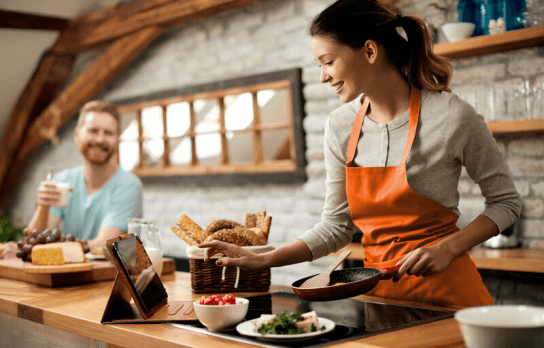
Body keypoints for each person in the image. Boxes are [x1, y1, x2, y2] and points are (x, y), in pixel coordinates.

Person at [199, 0, 522, 307]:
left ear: (369, 50)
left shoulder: (451, 116)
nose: (323, 76)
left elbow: (506, 202)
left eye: (328, 62)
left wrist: (448, 248)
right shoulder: (340, 126)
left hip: (450, 297)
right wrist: (265, 258)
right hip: (379, 299)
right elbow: (336, 227)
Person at [25, 100, 143, 250]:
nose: (100, 139)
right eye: (93, 131)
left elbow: (104, 245)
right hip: (68, 270)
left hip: (109, 273)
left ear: (117, 139)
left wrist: (53, 246)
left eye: (108, 133)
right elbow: (33, 243)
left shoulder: (129, 185)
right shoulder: (63, 180)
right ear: (77, 135)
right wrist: (43, 206)